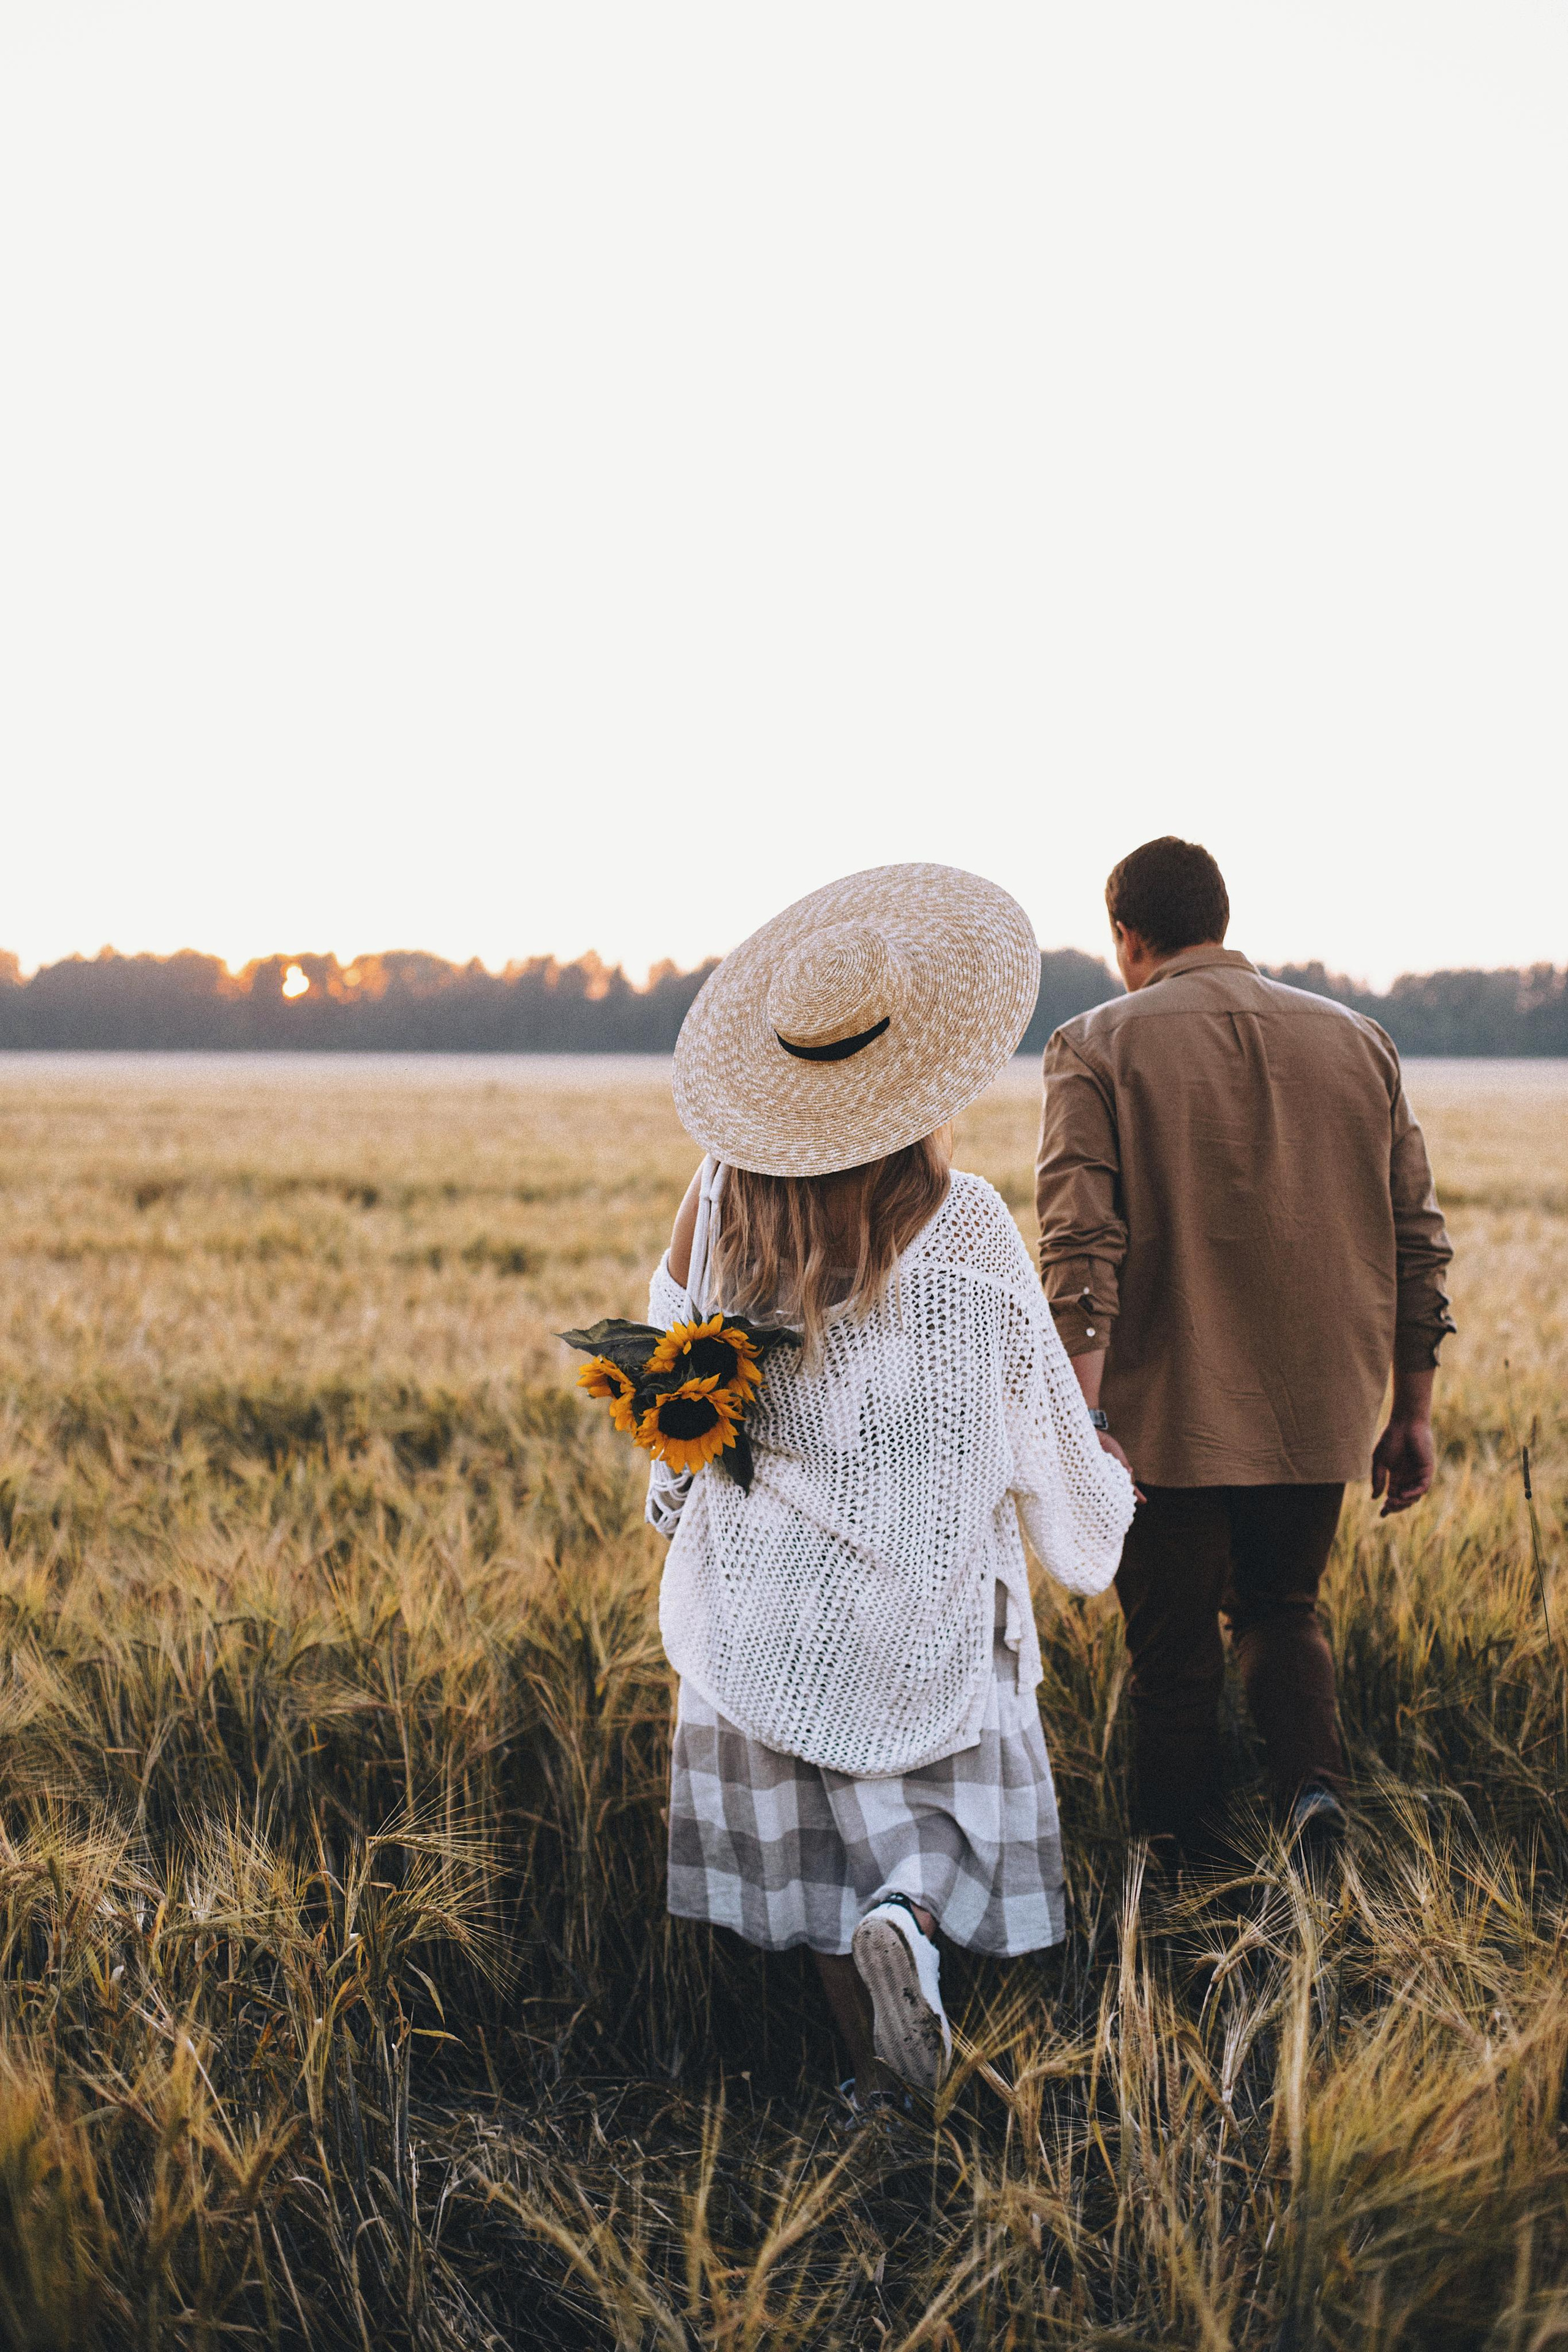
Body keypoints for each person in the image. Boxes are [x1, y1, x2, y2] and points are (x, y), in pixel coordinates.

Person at [646, 862, 1136, 2113]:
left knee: (807, 1864)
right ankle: (908, 1924)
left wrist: (671, 1506)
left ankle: (876, 2086)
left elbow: (673, 1390)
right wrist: (1099, 1499)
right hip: (920, 1605)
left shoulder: (719, 1202)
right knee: (923, 1834)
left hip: (762, 1604)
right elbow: (1031, 1412)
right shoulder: (960, 1221)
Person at [1035, 835, 1455, 1862]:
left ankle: (1171, 1875)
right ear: (1221, 920)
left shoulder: (1093, 1045)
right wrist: (1412, 1410)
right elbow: (1417, 1238)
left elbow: (1081, 1247)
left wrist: (1082, 1421)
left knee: (1173, 1658)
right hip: (1320, 1404)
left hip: (1162, 1414)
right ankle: (1313, 1796)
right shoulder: (1362, 1042)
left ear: (1128, 936)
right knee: (1282, 1609)